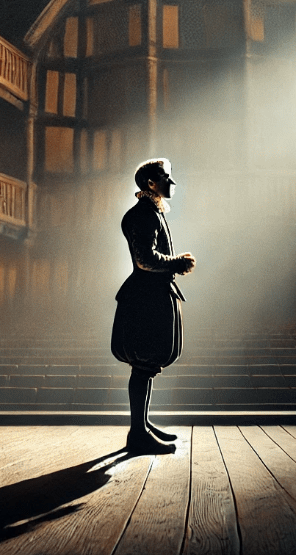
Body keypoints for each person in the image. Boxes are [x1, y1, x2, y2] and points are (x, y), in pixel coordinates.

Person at [112, 158, 196, 454]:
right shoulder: (144, 214)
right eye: (166, 177)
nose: (171, 183)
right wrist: (179, 262)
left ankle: (142, 426)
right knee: (143, 365)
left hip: (150, 295)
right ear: (151, 183)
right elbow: (145, 259)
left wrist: (174, 263)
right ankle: (137, 433)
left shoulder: (150, 212)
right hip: (146, 298)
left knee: (145, 367)